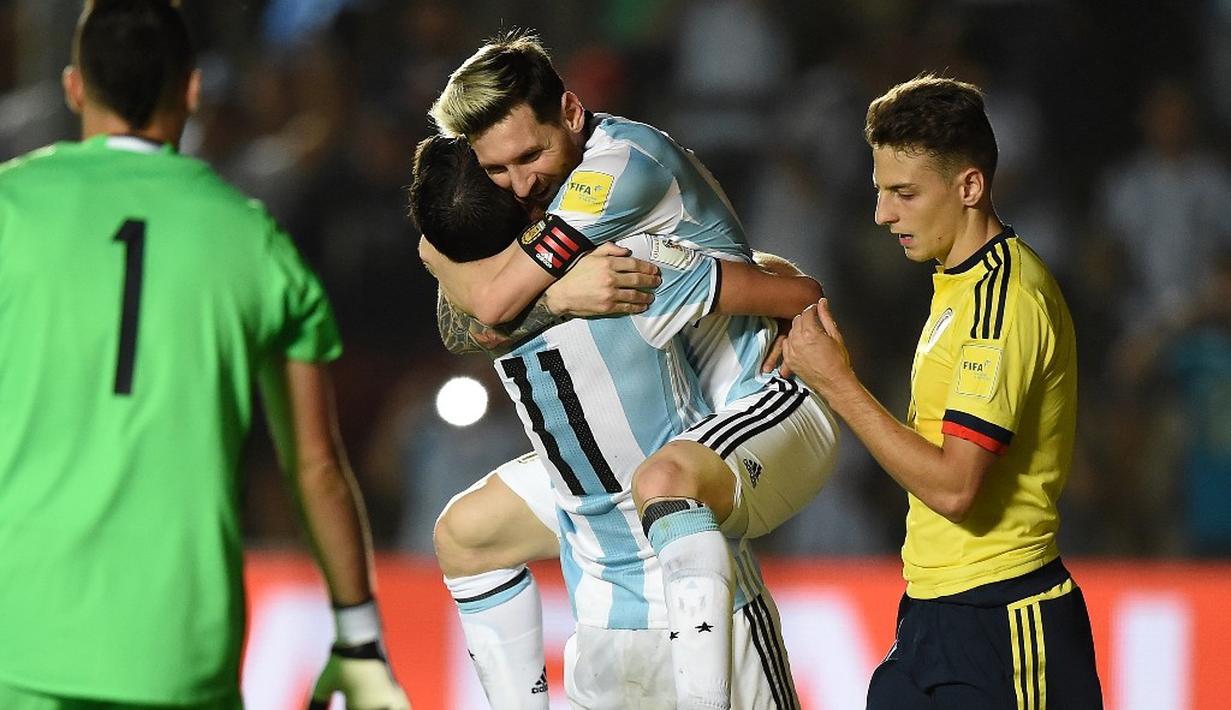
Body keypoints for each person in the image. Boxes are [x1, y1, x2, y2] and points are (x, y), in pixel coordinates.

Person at [0, 2, 409, 709]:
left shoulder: (9, 208)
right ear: (190, 90)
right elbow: (314, 463)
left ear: (74, 87)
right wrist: (359, 636)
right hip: (176, 650)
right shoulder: (251, 240)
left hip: (17, 637)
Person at [413, 131, 835, 710]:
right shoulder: (625, 269)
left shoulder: (476, 309)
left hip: (601, 629)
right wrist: (772, 279)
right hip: (698, 596)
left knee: (464, 533)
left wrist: (436, 257)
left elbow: (468, 310)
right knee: (661, 485)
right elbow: (794, 293)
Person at [781, 74, 1103, 709]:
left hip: (1006, 622)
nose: (882, 214)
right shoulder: (957, 283)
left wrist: (839, 384)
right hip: (932, 611)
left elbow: (957, 488)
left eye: (904, 193)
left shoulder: (1005, 301)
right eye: (880, 192)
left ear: (970, 186)